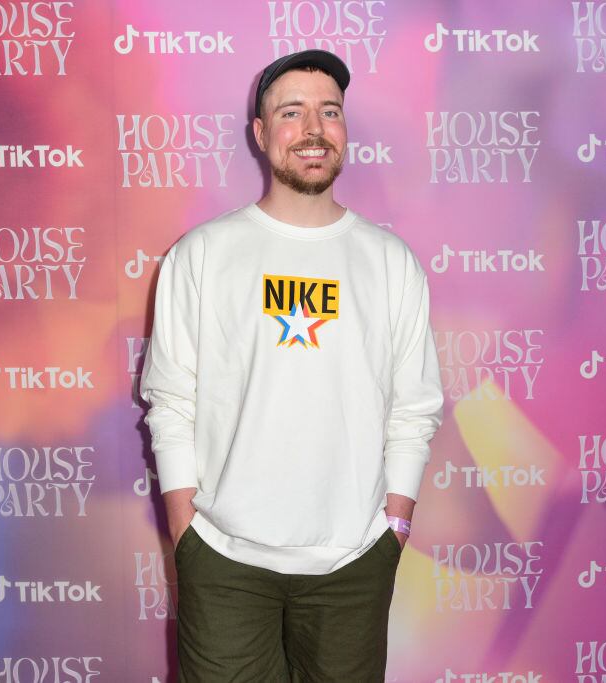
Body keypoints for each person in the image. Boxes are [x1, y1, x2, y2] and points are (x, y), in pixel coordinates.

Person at [139, 49, 445, 682]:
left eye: (329, 111)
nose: (313, 128)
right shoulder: (202, 254)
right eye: (292, 111)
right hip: (223, 559)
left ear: (344, 129)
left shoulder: (390, 263)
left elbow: (413, 407)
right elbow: (171, 399)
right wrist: (186, 529)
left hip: (353, 562)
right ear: (260, 132)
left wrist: (394, 524)